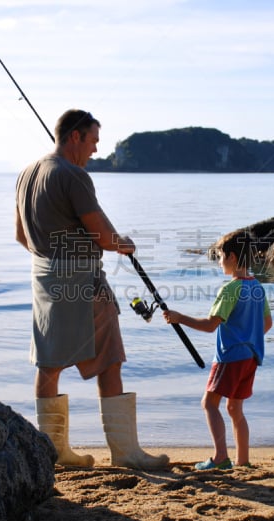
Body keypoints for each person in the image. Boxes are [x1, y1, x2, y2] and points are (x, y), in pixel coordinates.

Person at [15, 109, 168, 470]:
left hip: (44, 280)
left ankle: (55, 454)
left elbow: (21, 236)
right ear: (75, 137)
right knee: (110, 359)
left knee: (49, 364)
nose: (96, 150)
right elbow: (103, 236)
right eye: (94, 141)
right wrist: (122, 243)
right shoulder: (74, 175)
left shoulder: (26, 174)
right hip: (83, 283)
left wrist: (55, 258)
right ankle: (126, 454)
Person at [163, 230, 272, 470]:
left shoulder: (230, 289)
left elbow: (210, 325)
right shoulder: (257, 287)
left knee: (209, 404)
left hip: (230, 356)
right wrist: (248, 337)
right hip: (251, 357)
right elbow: (267, 324)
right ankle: (243, 460)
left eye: (221, 256)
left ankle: (221, 457)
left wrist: (179, 318)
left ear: (232, 257)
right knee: (235, 409)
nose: (219, 261)